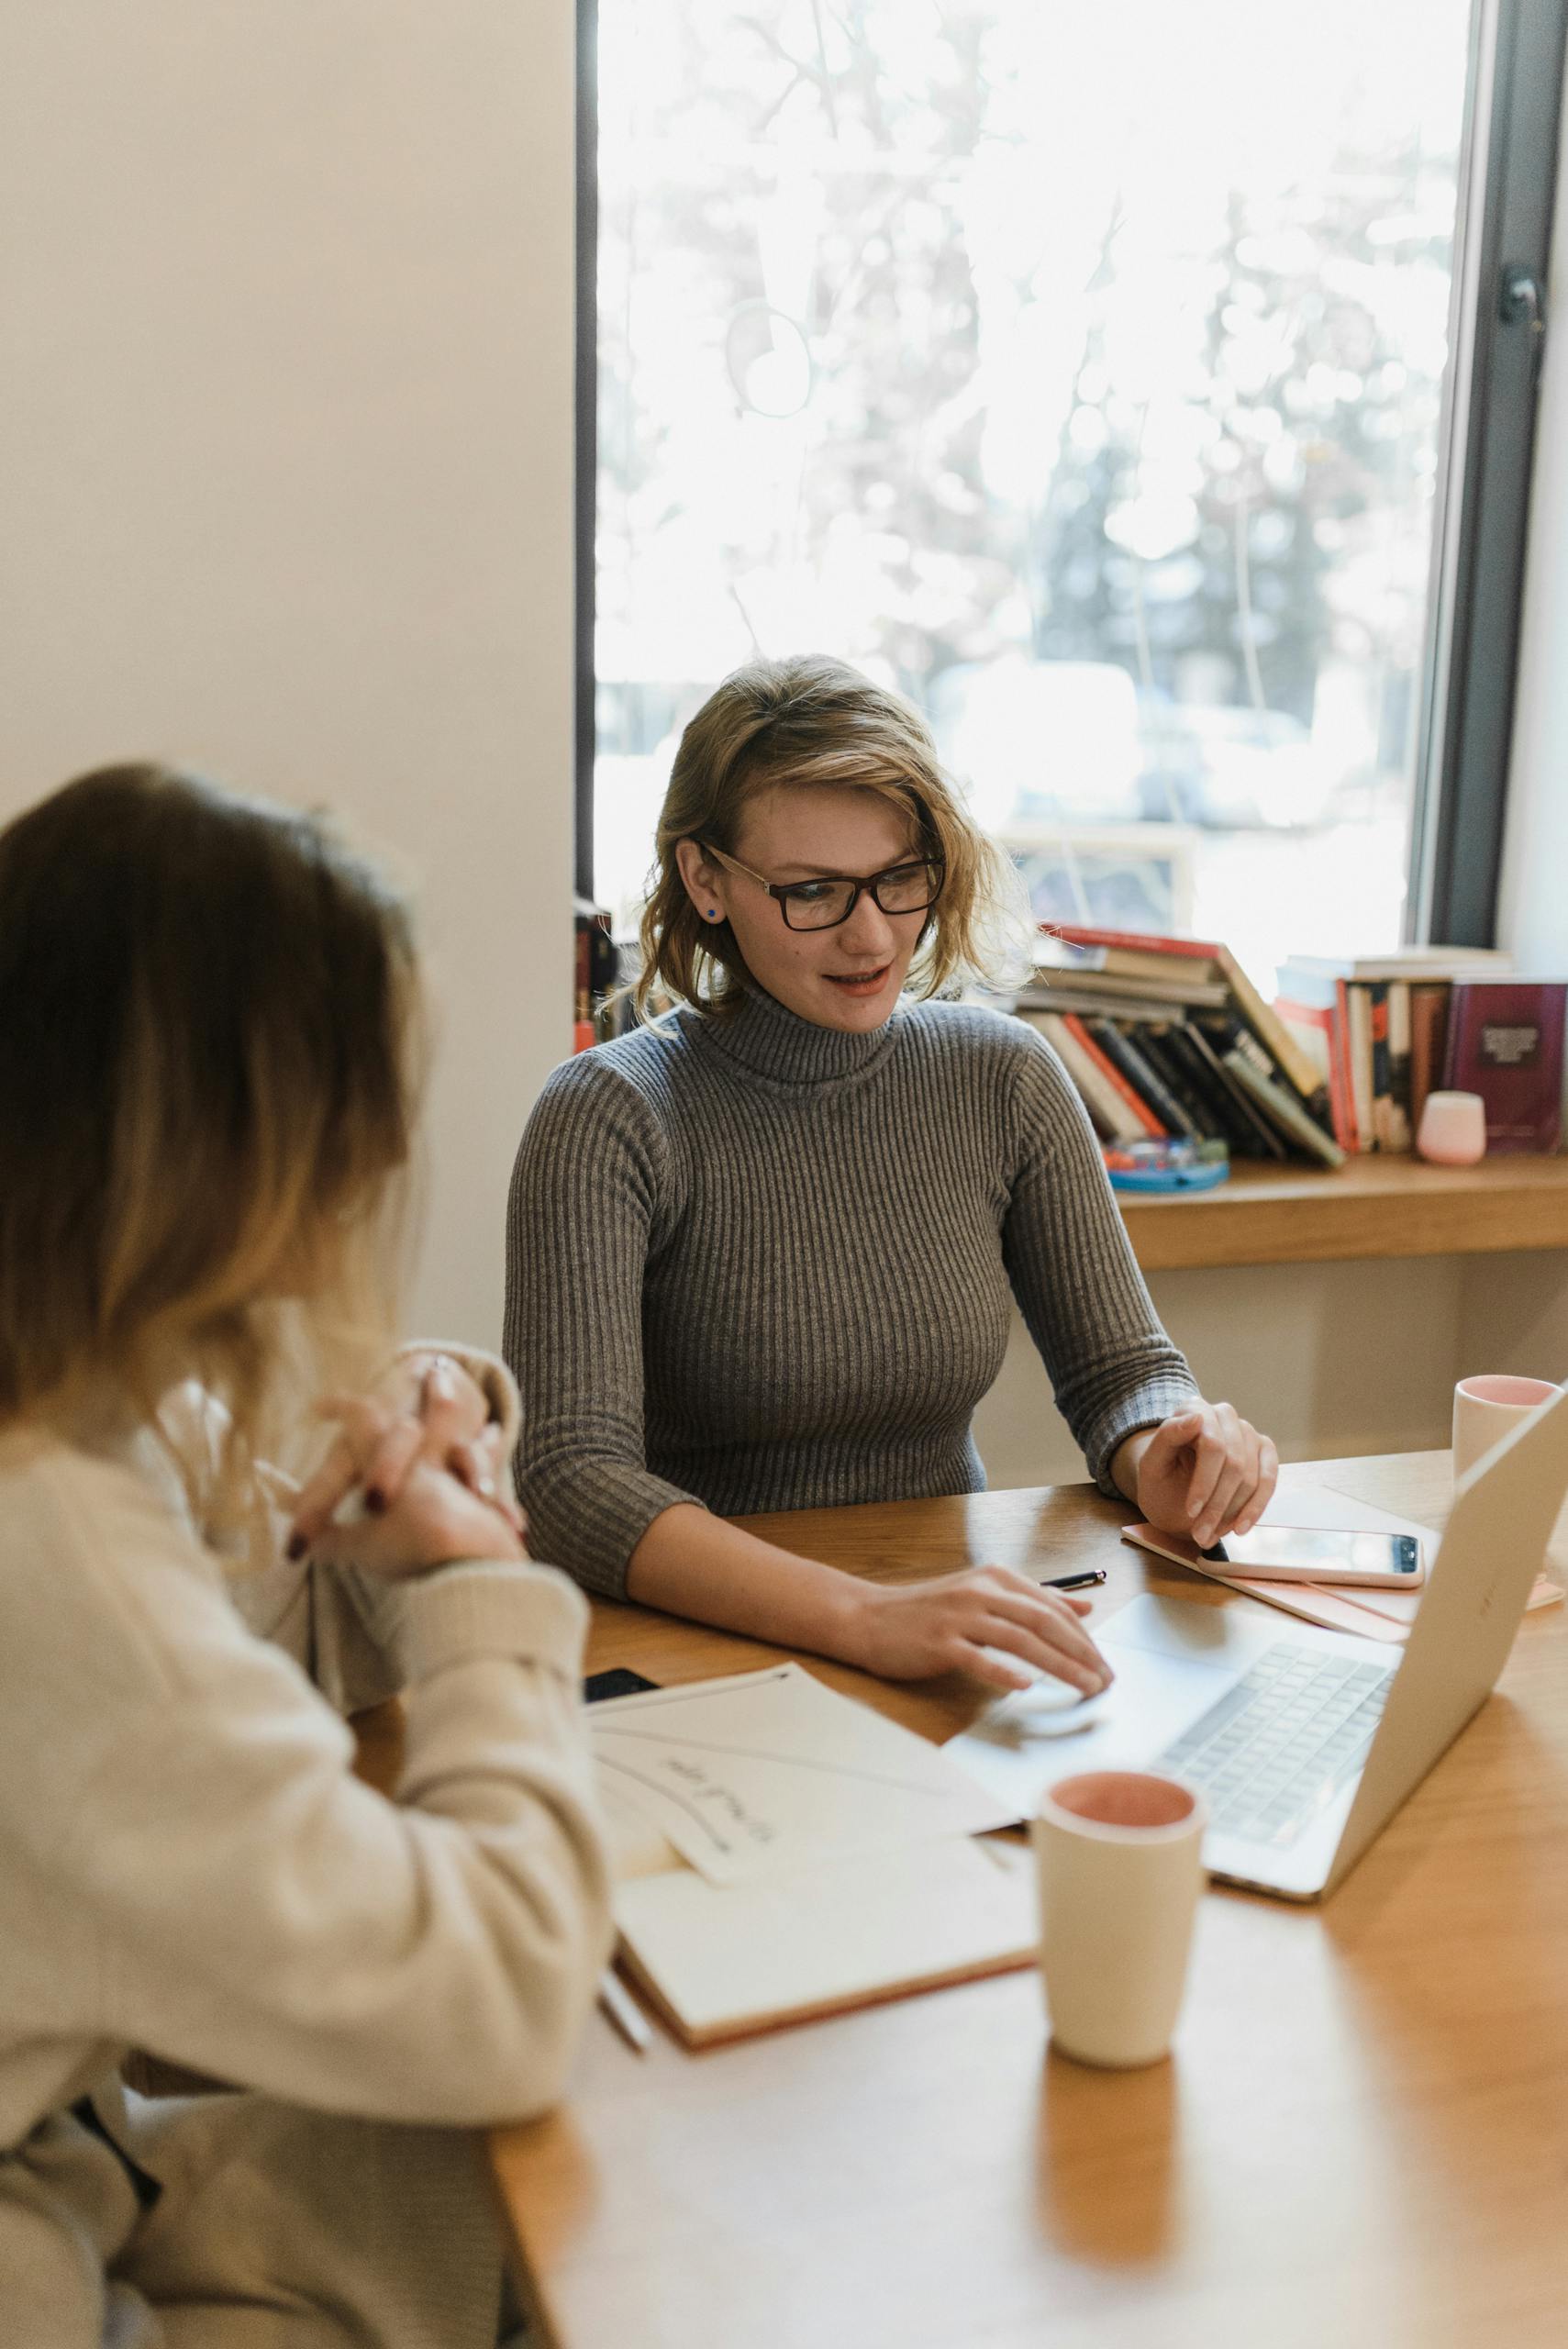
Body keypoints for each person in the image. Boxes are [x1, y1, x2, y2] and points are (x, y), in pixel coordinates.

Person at [0, 765, 611, 2348]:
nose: (377, 1147)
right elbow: (509, 1999)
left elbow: (257, 1528)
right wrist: (480, 1593)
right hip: (48, 2261)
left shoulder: (58, 1400)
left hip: (74, 2159)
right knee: (577, 2148)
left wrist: (438, 1398)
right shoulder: (51, 1554)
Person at [506, 654, 1279, 1696]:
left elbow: (1118, 1375)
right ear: (705, 882)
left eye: (898, 877)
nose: (871, 935)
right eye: (812, 892)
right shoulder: (608, 1113)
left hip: (948, 1624)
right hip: (707, 1651)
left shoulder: (998, 1075)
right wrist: (864, 1618)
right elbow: (569, 1484)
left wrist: (1165, 1453)